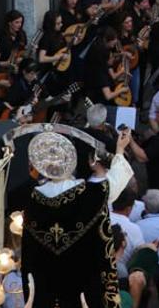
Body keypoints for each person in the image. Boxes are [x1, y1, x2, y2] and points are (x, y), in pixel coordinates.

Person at [21, 130, 133, 308]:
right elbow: (116, 181)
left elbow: (29, 251)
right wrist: (119, 150)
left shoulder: (33, 198)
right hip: (83, 279)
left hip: (48, 281)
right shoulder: (89, 193)